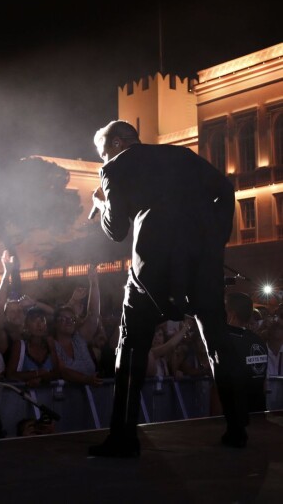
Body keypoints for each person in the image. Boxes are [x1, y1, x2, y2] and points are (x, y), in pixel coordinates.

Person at [87, 119, 240, 457]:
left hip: (152, 271)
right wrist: (215, 242)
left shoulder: (114, 168)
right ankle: (237, 426)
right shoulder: (182, 156)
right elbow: (226, 190)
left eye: (103, 153)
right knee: (217, 340)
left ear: (114, 143)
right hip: (202, 265)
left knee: (130, 347)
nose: (103, 161)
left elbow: (116, 232)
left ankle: (124, 438)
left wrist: (100, 203)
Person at [224, 292, 268, 417]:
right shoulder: (259, 341)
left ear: (231, 314)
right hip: (258, 412)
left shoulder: (226, 343)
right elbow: (263, 382)